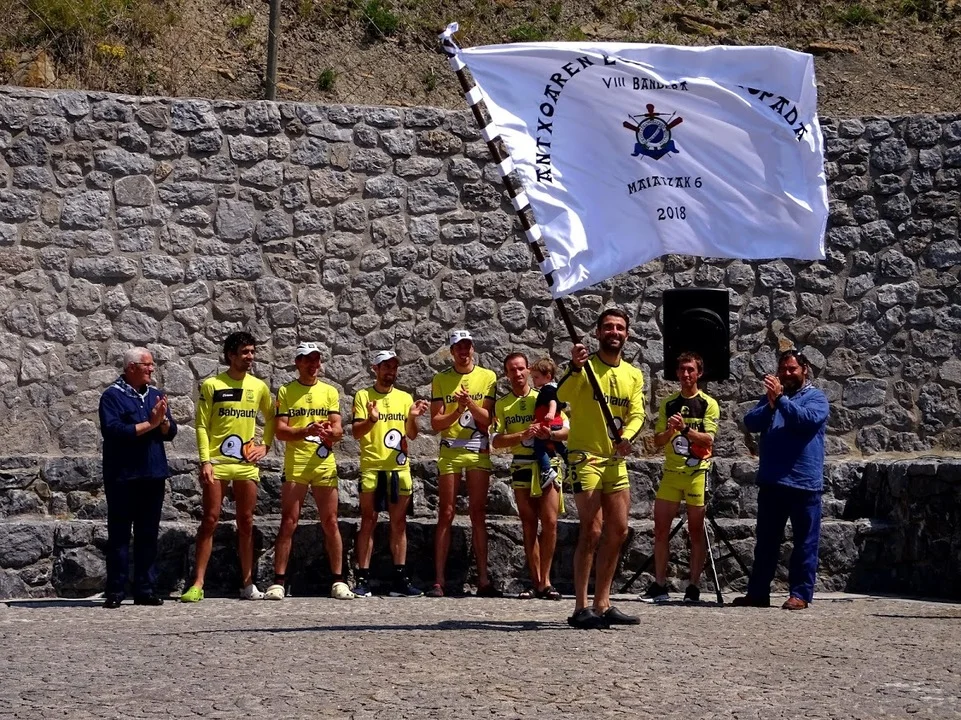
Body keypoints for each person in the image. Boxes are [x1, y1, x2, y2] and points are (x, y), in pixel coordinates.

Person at [558, 307, 646, 629]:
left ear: (627, 334)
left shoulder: (633, 374)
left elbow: (638, 413)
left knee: (619, 530)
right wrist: (574, 367)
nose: (614, 332)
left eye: (620, 327)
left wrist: (627, 437)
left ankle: (603, 602)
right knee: (592, 529)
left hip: (615, 459)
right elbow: (561, 395)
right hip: (585, 456)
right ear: (597, 333)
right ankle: (581, 607)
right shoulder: (585, 367)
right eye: (608, 327)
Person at [181, 331, 274, 602]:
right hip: (217, 463)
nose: (250, 357)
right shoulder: (212, 385)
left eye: (252, 352)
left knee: (246, 522)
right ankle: (198, 583)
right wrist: (205, 461)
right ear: (230, 355)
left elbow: (272, 417)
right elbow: (201, 425)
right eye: (244, 352)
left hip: (246, 464)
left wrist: (265, 446)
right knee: (210, 520)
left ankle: (248, 584)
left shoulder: (259, 386)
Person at [734, 349, 830, 610]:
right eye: (783, 369)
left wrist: (780, 401)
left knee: (805, 543)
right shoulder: (773, 399)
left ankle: (800, 594)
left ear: (804, 370)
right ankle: (758, 593)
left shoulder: (816, 398)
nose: (787, 374)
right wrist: (771, 404)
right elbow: (751, 422)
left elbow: (805, 420)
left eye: (792, 369)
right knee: (766, 542)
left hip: (804, 484)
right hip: (772, 482)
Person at [264, 342, 353, 601]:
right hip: (297, 464)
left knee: (331, 521)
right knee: (288, 522)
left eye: (316, 360)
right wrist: (306, 431)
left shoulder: (330, 391)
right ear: (298, 363)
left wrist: (331, 433)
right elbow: (281, 431)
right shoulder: (286, 390)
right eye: (307, 360)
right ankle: (278, 582)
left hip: (324, 464)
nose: (313, 365)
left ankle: (338, 580)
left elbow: (338, 429)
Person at [98, 347, 178, 608]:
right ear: (131, 367)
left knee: (148, 534)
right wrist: (151, 424)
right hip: (123, 476)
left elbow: (170, 432)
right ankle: (115, 590)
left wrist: (163, 422)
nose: (152, 369)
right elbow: (114, 431)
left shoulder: (155, 395)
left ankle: (145, 589)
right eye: (147, 365)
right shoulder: (112, 396)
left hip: (152, 474)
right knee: (119, 535)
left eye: (152, 365)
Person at [351, 350, 431, 597]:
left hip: (399, 468)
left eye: (393, 367)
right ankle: (363, 578)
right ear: (375, 369)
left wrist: (413, 417)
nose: (390, 371)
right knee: (368, 521)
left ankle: (400, 579)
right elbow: (356, 432)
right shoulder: (363, 396)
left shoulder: (405, 397)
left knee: (399, 523)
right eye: (385, 366)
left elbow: (412, 435)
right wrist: (371, 420)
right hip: (372, 467)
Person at [642, 351, 719, 604]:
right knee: (660, 529)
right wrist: (670, 430)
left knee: (695, 531)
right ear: (676, 373)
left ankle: (693, 586)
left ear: (699, 373)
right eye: (682, 370)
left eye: (691, 370)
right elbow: (658, 440)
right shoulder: (669, 403)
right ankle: (660, 584)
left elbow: (708, 439)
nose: (686, 374)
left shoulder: (708, 403)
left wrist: (685, 429)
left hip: (696, 473)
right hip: (672, 474)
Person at [427, 329, 499, 597]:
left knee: (478, 513)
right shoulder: (441, 379)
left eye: (467, 346)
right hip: (450, 450)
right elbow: (436, 423)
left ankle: (483, 580)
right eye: (458, 347)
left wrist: (469, 403)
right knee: (445, 513)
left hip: (478, 449)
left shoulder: (488, 377)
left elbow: (488, 420)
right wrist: (457, 410)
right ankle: (439, 580)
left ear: (473, 348)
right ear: (451, 351)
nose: (463, 351)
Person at [491, 352, 566, 600]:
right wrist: (521, 435)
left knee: (550, 522)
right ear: (507, 374)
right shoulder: (502, 404)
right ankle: (536, 582)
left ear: (528, 370)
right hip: (521, 464)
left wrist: (550, 434)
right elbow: (496, 440)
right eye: (512, 370)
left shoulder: (543, 393)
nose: (518, 374)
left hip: (548, 462)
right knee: (529, 523)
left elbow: (567, 429)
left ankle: (546, 580)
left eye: (521, 368)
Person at [528, 357, 567, 487]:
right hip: (556, 422)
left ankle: (547, 470)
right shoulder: (557, 388)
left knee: (539, 447)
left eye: (536, 377)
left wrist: (550, 413)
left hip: (550, 422)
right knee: (558, 444)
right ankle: (569, 461)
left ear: (548, 377)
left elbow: (552, 402)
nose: (533, 380)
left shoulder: (547, 389)